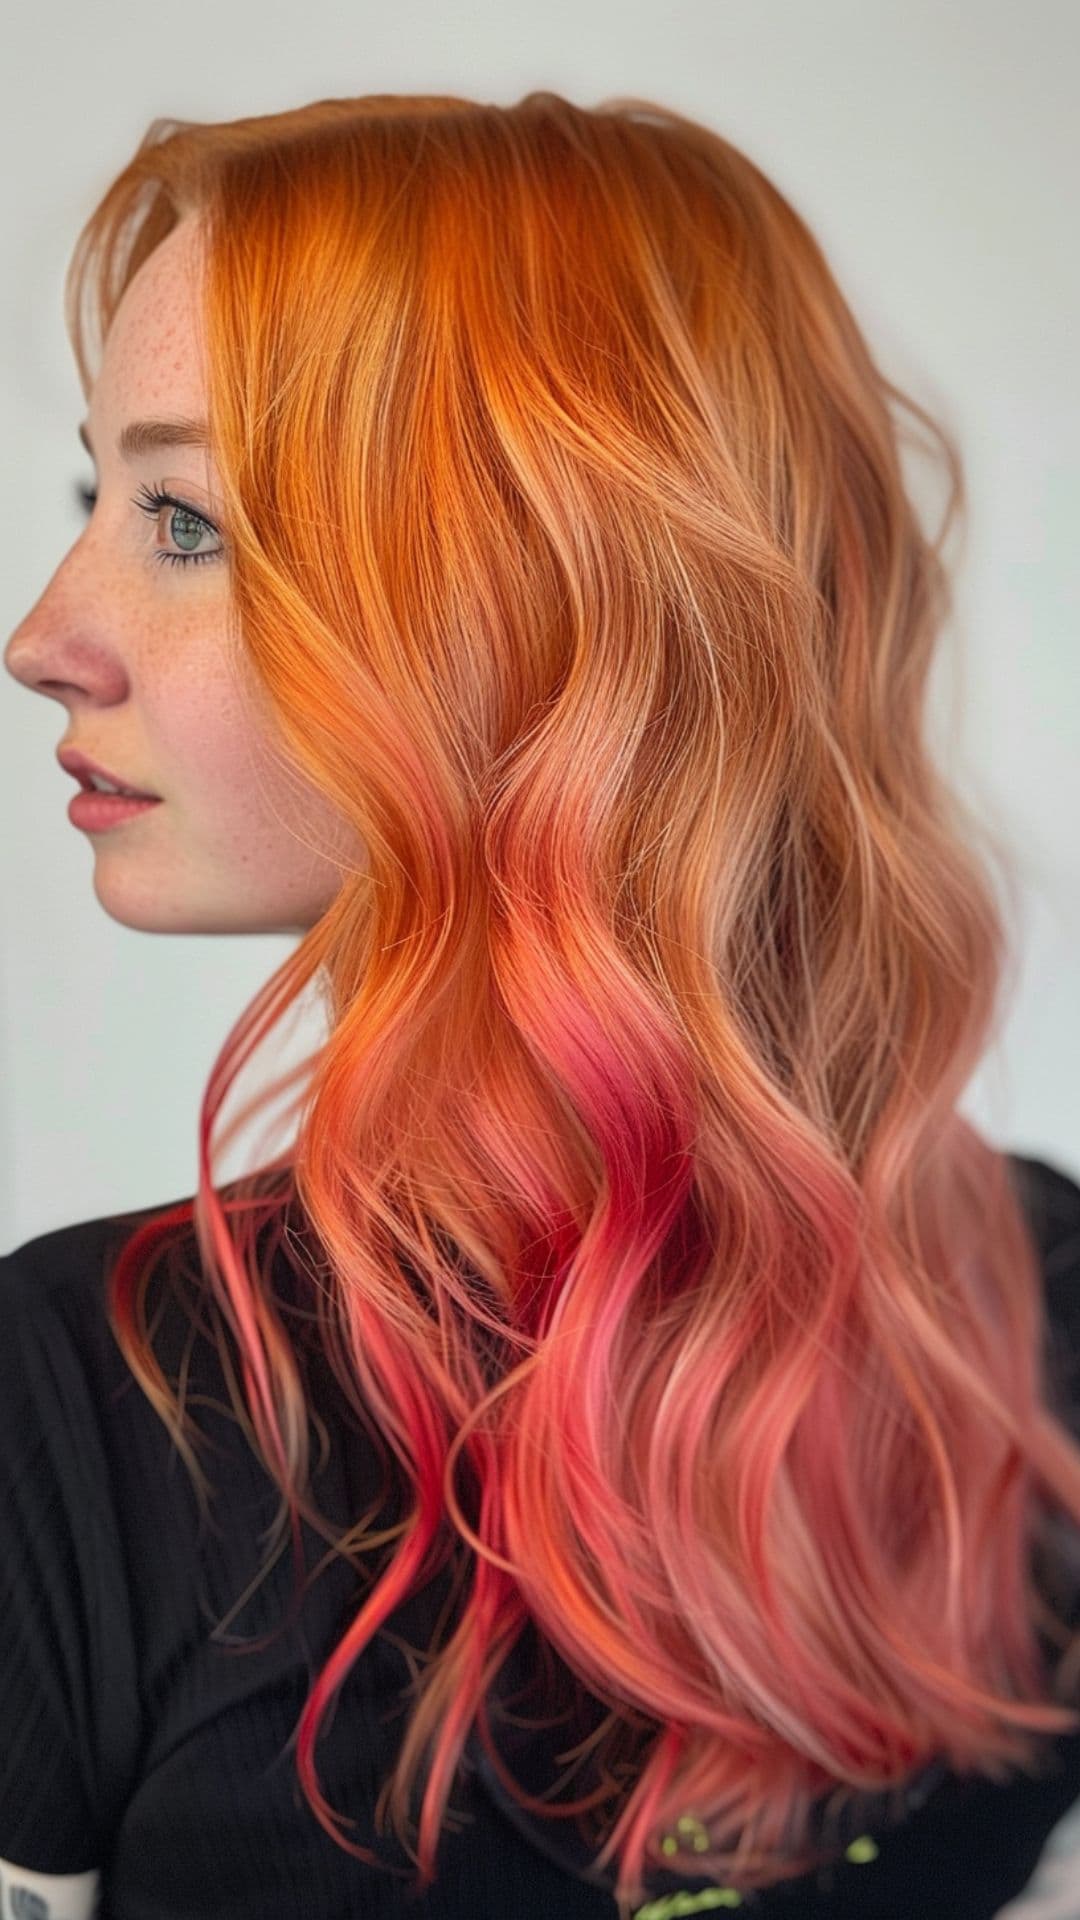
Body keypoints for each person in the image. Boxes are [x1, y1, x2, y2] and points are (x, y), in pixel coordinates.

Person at [3, 90, 1080, 1920]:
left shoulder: (1034, 1318)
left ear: (545, 599)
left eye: (183, 519)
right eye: (97, 496)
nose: (46, 630)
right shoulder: (80, 1424)